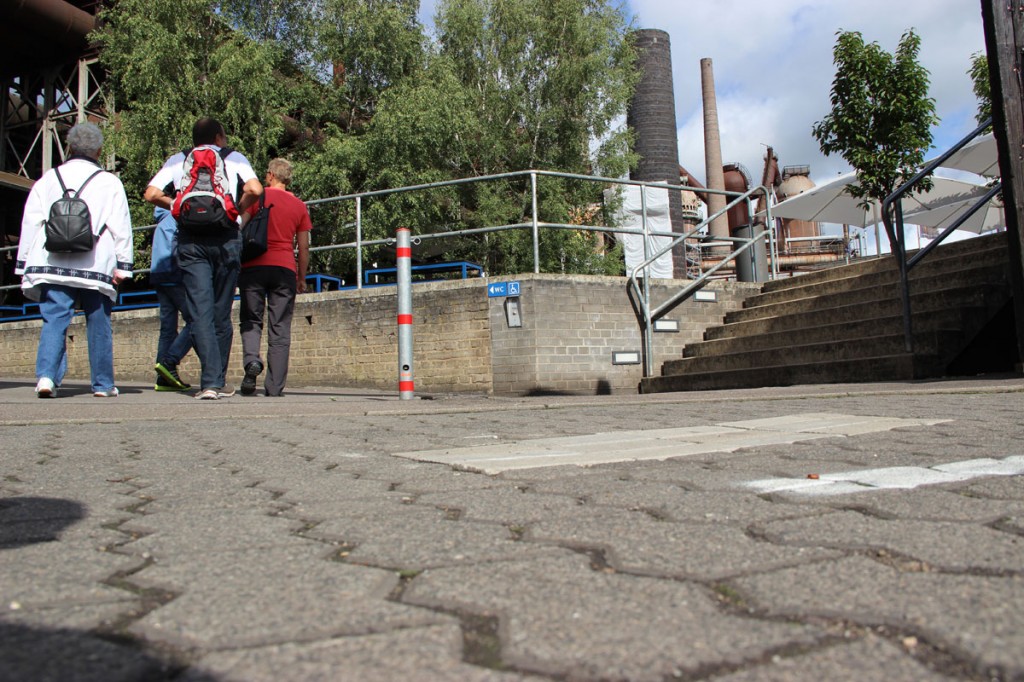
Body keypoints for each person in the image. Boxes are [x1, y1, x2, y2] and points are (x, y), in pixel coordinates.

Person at [144, 118, 262, 400]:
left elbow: (150, 193)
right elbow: (255, 190)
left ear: (194, 139)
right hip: (226, 239)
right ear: (220, 137)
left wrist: (174, 205)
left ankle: (210, 383)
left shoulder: (178, 160)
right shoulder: (233, 157)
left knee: (200, 311)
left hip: (191, 240)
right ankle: (217, 381)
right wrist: (234, 211)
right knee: (222, 311)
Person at [15, 122, 133, 398]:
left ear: (69, 146)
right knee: (98, 321)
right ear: (99, 150)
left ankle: (46, 377)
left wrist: (23, 264)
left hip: (52, 261)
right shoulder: (109, 182)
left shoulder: (47, 179)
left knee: (54, 319)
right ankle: (103, 384)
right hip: (95, 262)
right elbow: (121, 226)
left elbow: (31, 223)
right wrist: (124, 266)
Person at [238, 158, 311, 397]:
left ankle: (251, 362)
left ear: (270, 176)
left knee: (251, 320)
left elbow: (240, 227)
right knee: (280, 327)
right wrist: (301, 276)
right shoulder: (299, 206)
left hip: (253, 266)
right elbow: (303, 246)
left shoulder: (257, 197)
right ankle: (274, 386)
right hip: (284, 269)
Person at [149, 206, 193, 391]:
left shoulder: (162, 219)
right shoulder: (178, 218)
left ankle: (163, 378)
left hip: (159, 275)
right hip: (175, 275)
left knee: (167, 327)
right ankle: (169, 361)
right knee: (196, 320)